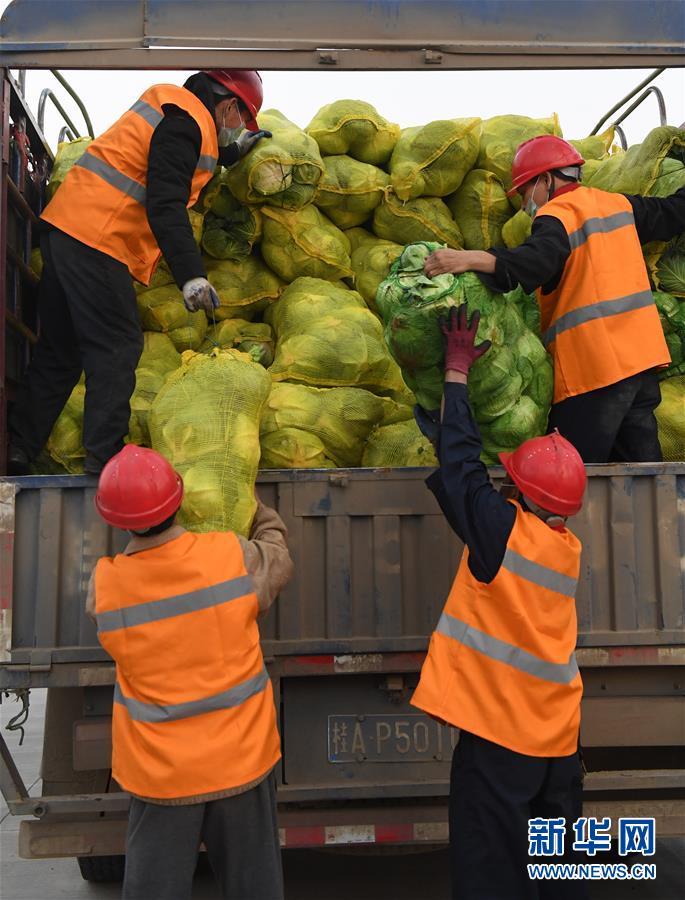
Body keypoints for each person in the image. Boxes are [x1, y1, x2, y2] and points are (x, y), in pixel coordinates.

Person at [8, 70, 271, 476]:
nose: (237, 129)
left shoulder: (177, 112)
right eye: (240, 120)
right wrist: (191, 276)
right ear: (228, 104)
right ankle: (105, 460)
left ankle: (19, 448)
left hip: (68, 228)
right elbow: (165, 201)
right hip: (98, 237)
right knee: (117, 345)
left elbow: (173, 159)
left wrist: (232, 153)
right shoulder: (188, 122)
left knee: (60, 352)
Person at [410, 305, 588, 900]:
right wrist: (443, 431)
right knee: (558, 869)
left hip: (502, 745)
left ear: (520, 492)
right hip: (557, 742)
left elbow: (464, 471)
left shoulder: (504, 531)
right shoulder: (563, 548)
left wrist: (456, 373)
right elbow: (465, 487)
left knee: (494, 875)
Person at [88, 444, 293, 900]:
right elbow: (276, 558)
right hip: (241, 760)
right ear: (179, 501)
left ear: (116, 521)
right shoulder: (228, 556)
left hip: (162, 776)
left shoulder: (108, 585)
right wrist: (258, 510)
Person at [423, 134, 685, 463]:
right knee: (643, 478)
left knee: (567, 473)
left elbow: (534, 261)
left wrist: (468, 259)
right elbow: (675, 211)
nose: (523, 205)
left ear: (546, 180)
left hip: (594, 371)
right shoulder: (619, 205)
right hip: (641, 367)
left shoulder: (557, 214)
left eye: (523, 192)